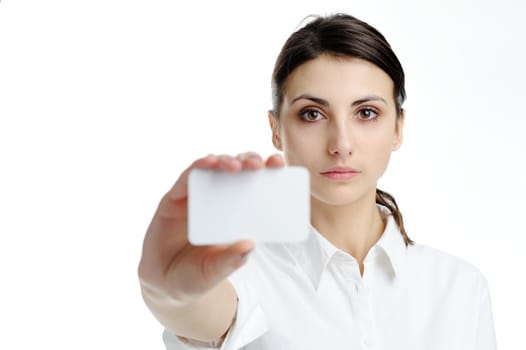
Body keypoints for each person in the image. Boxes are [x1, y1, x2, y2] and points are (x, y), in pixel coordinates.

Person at [138, 13, 497, 349]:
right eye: (312, 114)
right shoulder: (240, 273)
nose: (341, 144)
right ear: (276, 129)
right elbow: (196, 308)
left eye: (366, 113)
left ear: (398, 128)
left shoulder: (461, 288)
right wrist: (166, 291)